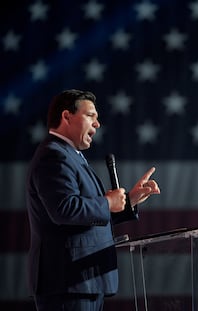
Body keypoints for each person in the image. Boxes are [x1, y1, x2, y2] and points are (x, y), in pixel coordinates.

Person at [26, 89, 160, 311]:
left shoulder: (71, 156)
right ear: (66, 117)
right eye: (91, 116)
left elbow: (86, 219)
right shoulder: (53, 156)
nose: (97, 124)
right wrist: (108, 202)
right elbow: (64, 210)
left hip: (83, 282)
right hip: (67, 284)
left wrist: (129, 201)